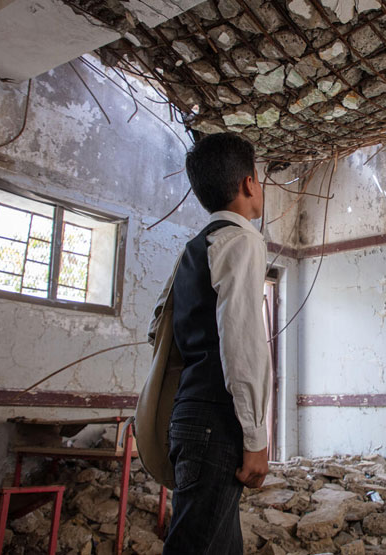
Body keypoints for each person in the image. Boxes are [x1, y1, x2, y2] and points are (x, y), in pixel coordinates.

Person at [163, 133, 271, 554]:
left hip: (190, 416)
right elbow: (241, 344)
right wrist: (255, 436)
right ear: (248, 183)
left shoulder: (196, 247)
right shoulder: (242, 241)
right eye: (259, 180)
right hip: (216, 423)